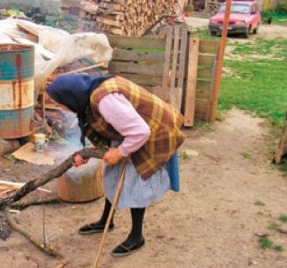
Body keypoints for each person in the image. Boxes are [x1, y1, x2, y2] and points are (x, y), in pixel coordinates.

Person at [46, 74, 185, 257]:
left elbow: (140, 131)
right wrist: (91, 151)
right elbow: (111, 126)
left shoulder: (105, 101)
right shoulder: (90, 93)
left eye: (61, 103)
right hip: (134, 130)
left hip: (153, 131)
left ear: (71, 97)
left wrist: (120, 152)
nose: (62, 107)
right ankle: (106, 221)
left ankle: (137, 236)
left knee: (136, 184)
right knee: (112, 175)